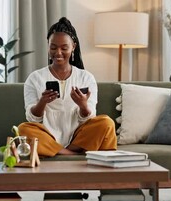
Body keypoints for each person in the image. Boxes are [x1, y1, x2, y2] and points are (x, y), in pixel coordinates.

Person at [18, 17, 117, 157]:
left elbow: (89, 119)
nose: (58, 53)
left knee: (106, 123)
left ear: (73, 47)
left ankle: (61, 150)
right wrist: (42, 102)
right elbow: (33, 120)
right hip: (47, 136)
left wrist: (83, 105)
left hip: (78, 137)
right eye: (53, 47)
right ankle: (70, 153)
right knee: (24, 129)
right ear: (48, 46)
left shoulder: (86, 77)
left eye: (64, 48)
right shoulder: (34, 78)